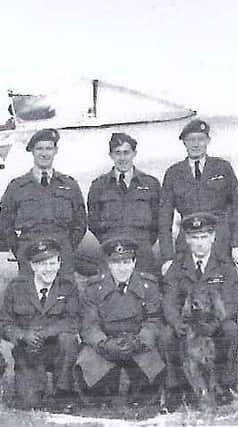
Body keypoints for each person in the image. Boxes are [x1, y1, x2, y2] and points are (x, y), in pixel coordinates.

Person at [162, 212, 238, 408]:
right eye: (195, 238)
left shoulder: (224, 265)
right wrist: (177, 323)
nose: (200, 243)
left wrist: (215, 324)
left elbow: (232, 300)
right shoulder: (177, 266)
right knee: (165, 335)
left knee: (231, 331)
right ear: (187, 239)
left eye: (204, 237)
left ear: (213, 237)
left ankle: (224, 386)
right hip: (187, 325)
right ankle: (175, 389)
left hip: (216, 323)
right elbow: (169, 300)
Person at [75, 237, 165, 406]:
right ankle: (104, 390)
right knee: (97, 390)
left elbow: (154, 320)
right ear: (108, 264)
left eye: (126, 262)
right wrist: (104, 344)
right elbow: (89, 325)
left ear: (134, 262)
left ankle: (139, 392)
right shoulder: (94, 288)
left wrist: (140, 340)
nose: (122, 268)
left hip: (136, 342)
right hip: (106, 344)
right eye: (116, 263)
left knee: (147, 389)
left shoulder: (149, 286)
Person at [0, 238, 80, 411]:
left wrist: (45, 333)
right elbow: (5, 323)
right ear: (32, 266)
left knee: (68, 340)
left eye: (52, 263)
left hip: (56, 349)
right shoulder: (16, 288)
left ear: (59, 264)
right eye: (42, 264)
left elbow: (73, 320)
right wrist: (22, 335)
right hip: (28, 352)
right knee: (29, 403)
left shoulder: (68, 287)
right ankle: (32, 386)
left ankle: (64, 391)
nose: (48, 269)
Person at [159, 119, 238, 275]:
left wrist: (237, 245)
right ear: (184, 143)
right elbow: (164, 218)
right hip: (187, 243)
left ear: (208, 141)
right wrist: (167, 257)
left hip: (220, 241)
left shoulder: (222, 167)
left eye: (200, 139)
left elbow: (237, 208)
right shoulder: (174, 173)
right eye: (191, 140)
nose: (196, 144)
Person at [0, 129, 87, 275]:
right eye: (39, 148)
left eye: (49, 148)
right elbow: (5, 223)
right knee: (31, 297)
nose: (44, 153)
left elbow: (80, 222)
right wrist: (20, 251)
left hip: (62, 257)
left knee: (64, 296)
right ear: (32, 151)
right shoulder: (17, 186)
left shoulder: (69, 185)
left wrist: (67, 248)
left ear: (55, 151)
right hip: (30, 255)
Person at [87, 132, 161, 274]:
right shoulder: (99, 185)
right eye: (117, 153)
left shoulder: (150, 184)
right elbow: (93, 222)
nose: (122, 158)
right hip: (111, 251)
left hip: (142, 252)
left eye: (126, 153)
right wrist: (109, 240)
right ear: (111, 155)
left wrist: (143, 241)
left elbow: (158, 222)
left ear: (134, 153)